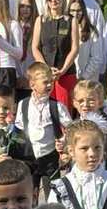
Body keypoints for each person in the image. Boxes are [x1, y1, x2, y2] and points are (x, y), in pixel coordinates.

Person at [14, 63, 71, 195]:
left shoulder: (57, 106)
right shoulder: (23, 104)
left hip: (50, 157)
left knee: (53, 194)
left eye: (51, 81)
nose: (50, 85)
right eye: (45, 82)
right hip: (30, 157)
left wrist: (63, 141)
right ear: (32, 84)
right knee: (29, 194)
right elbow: (18, 130)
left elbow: (71, 128)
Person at [32, 0, 80, 110]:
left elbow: (75, 48)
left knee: (65, 111)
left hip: (66, 74)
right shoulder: (40, 20)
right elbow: (35, 48)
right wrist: (46, 69)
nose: (53, 1)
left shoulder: (71, 21)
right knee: (44, 109)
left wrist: (63, 69)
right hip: (44, 75)